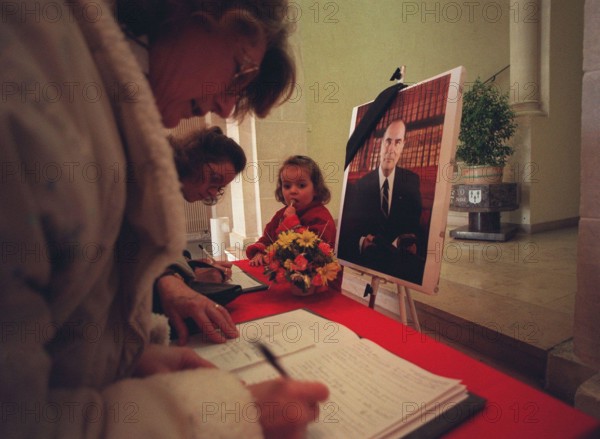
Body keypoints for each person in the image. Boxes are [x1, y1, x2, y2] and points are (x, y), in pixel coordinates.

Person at [1, 1, 328, 438]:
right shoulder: (27, 84)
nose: (228, 106)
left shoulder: (89, 87)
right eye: (240, 70)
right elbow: (21, 419)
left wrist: (125, 356)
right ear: (199, 13)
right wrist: (233, 414)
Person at [154, 126, 246, 345]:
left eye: (220, 187)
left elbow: (162, 246)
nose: (213, 192)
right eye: (213, 179)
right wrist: (174, 278)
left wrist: (190, 267)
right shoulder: (150, 179)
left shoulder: (169, 187)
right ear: (192, 158)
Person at [338, 119, 426, 284]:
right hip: (370, 259)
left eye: (397, 142)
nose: (391, 149)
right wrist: (363, 242)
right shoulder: (361, 185)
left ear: (403, 146)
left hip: (400, 260)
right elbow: (353, 229)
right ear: (380, 143)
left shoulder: (411, 181)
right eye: (388, 141)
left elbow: (414, 226)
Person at [246, 155, 341, 291]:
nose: (293, 191)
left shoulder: (321, 218)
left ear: (316, 189)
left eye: (301, 185)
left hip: (318, 287)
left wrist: (291, 222)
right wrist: (259, 253)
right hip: (289, 283)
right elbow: (268, 238)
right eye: (287, 186)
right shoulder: (281, 214)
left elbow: (313, 253)